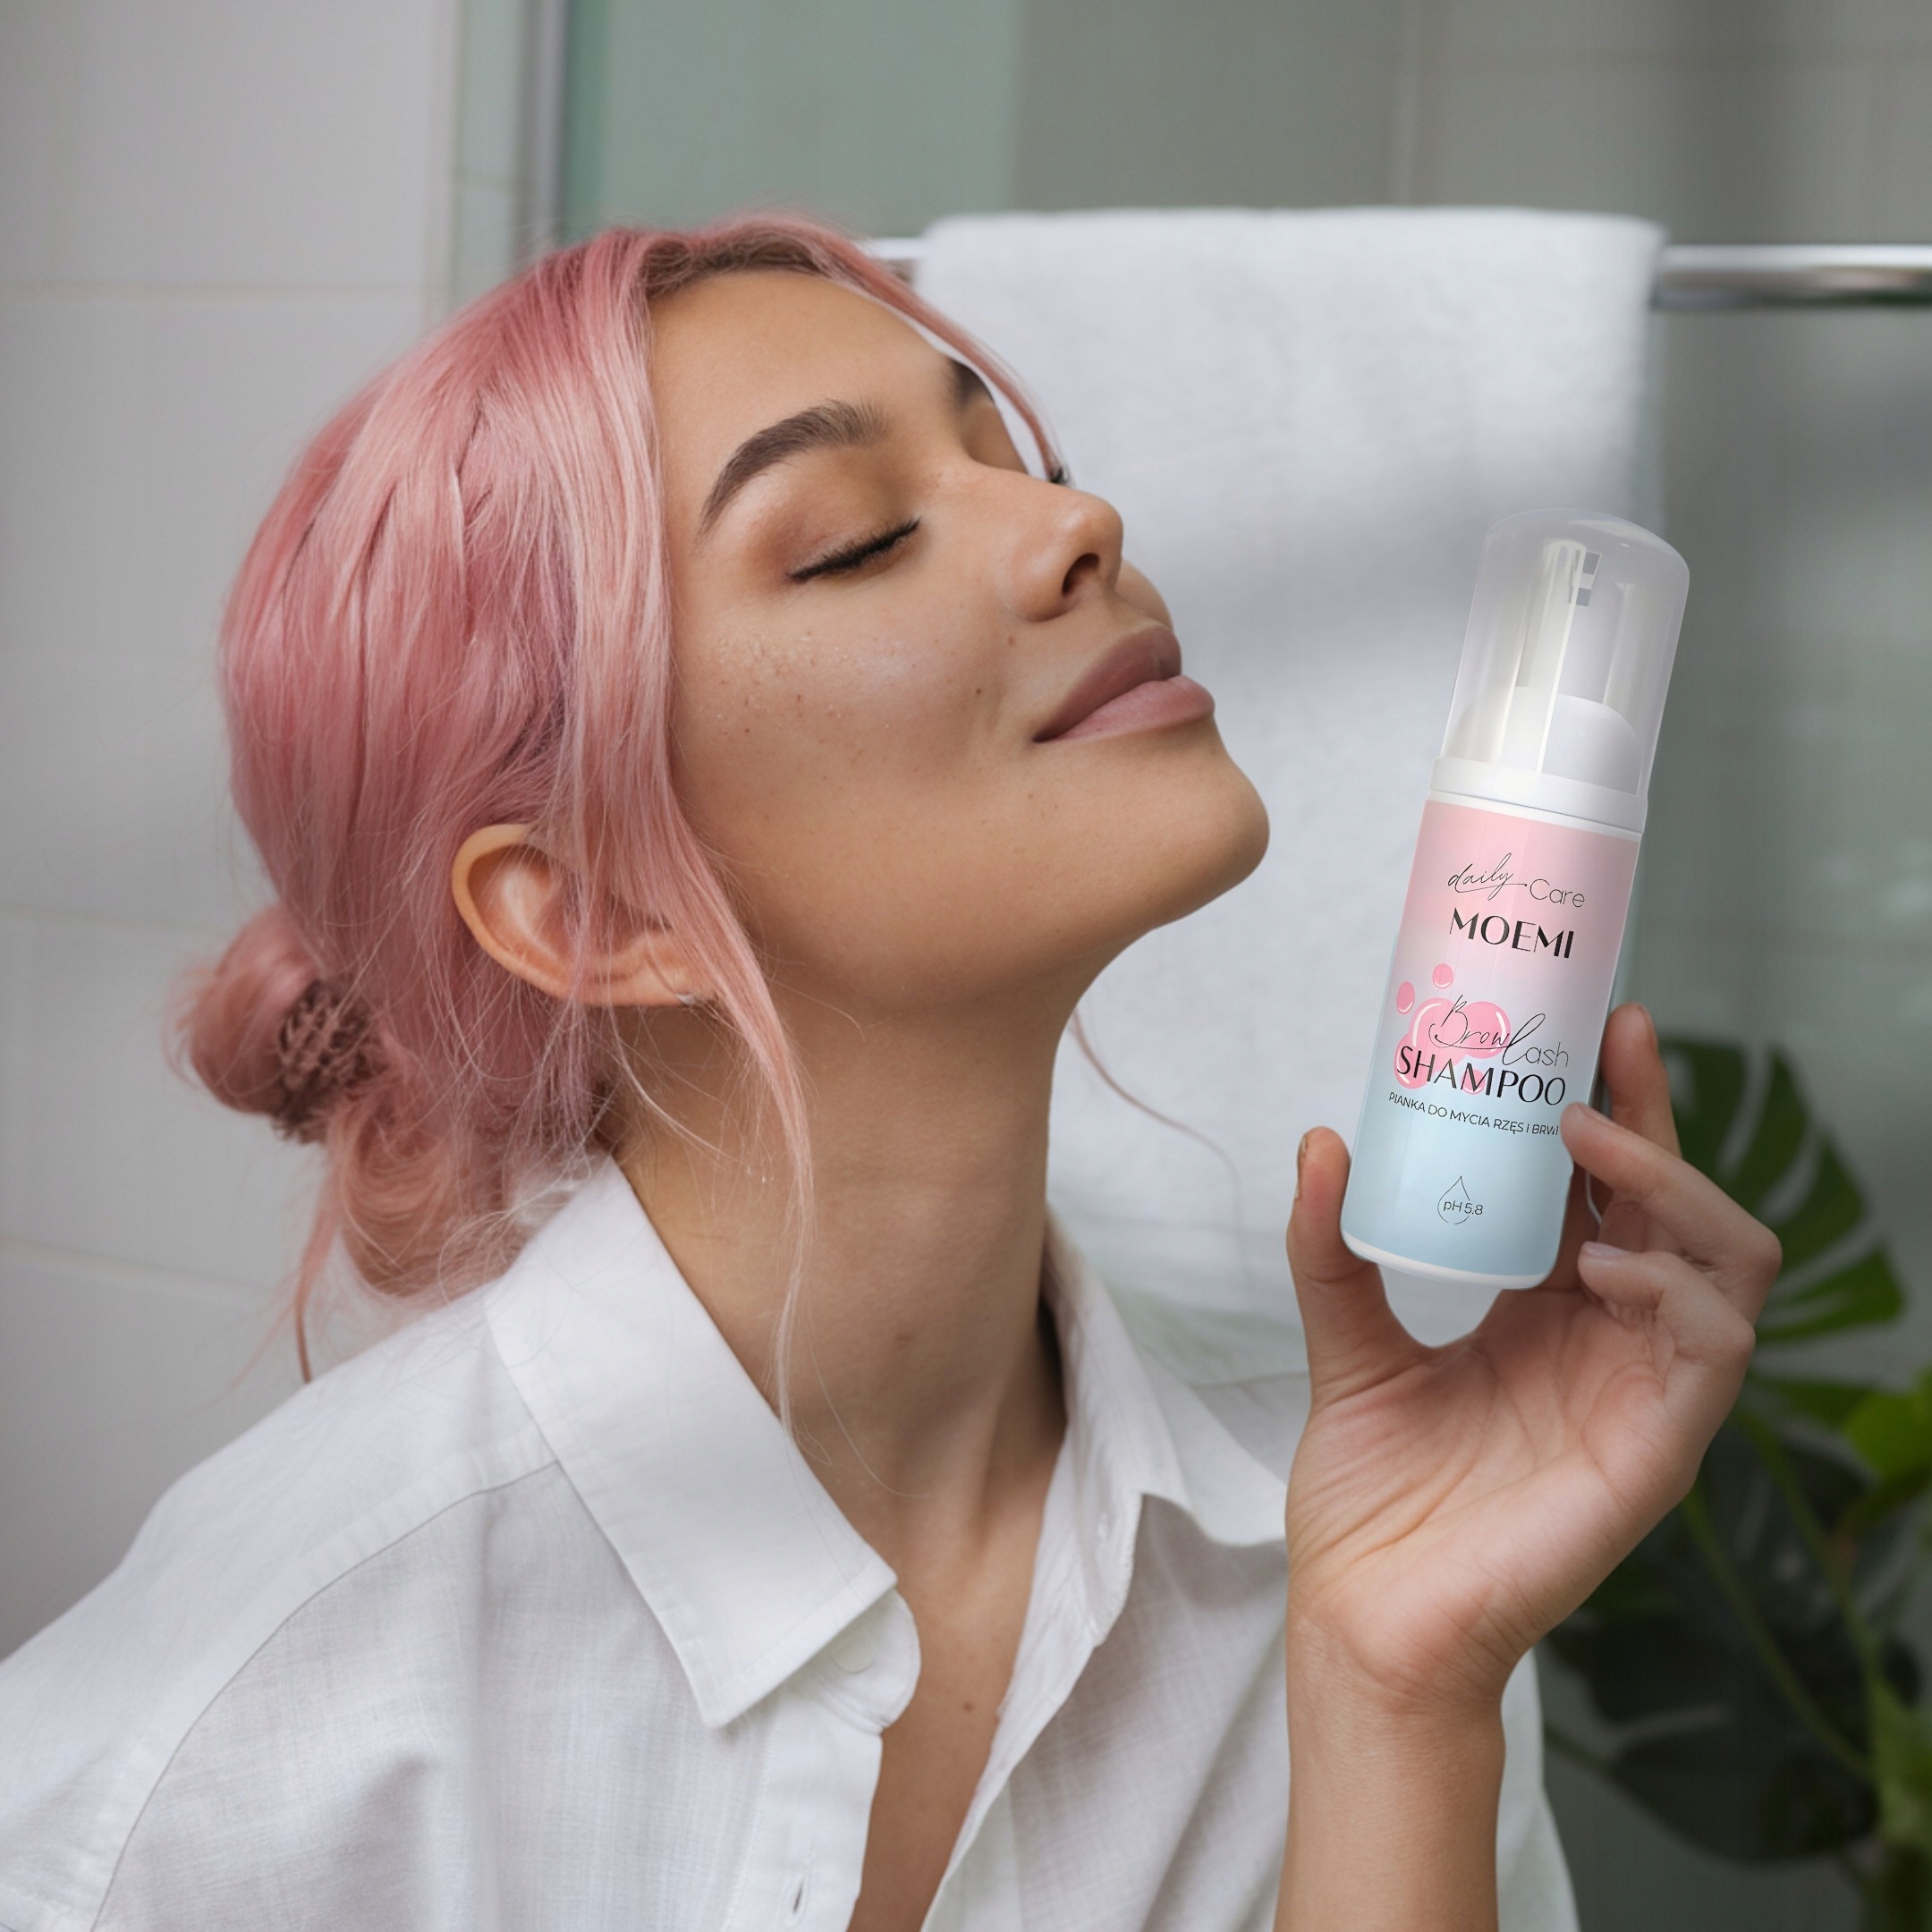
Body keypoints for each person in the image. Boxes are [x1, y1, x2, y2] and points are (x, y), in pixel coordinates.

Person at [0, 219, 1779, 1932]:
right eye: (856, 540)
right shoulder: (223, 1736)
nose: (1079, 521)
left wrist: (1401, 1698)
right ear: (596, 909)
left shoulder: (1343, 1555)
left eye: (1015, 454)